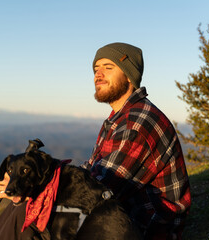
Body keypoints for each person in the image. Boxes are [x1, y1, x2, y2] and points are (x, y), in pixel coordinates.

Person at [81, 42, 191, 240]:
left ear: (129, 75)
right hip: (124, 219)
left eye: (108, 67)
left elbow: (100, 189)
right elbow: (91, 169)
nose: (98, 74)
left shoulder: (138, 121)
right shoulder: (119, 118)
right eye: (96, 69)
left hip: (147, 229)